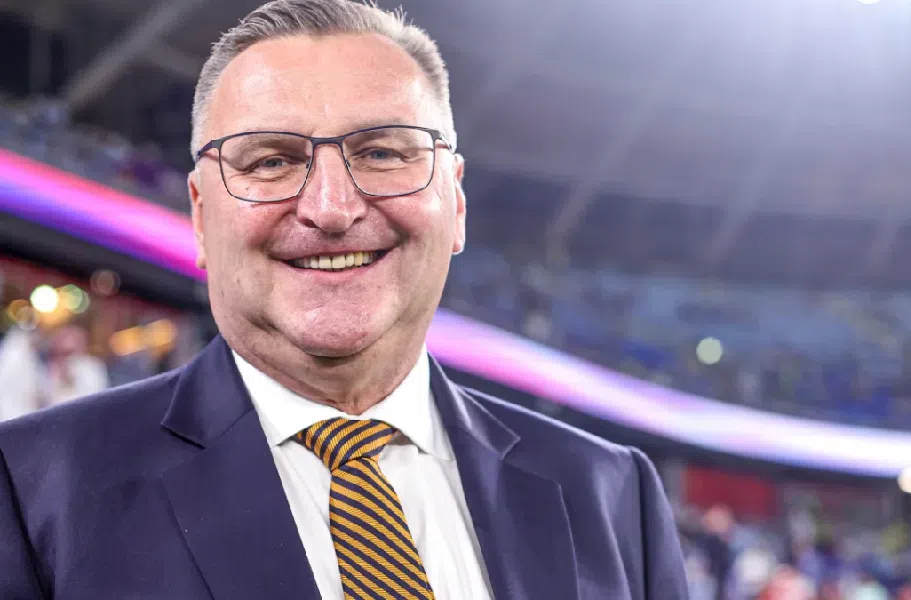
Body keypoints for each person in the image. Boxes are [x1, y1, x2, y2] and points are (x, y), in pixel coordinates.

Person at [0, 1, 687, 598]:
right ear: (202, 216)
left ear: (455, 202)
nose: (331, 208)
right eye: (271, 160)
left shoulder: (613, 496)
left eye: (384, 153)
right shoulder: (30, 490)